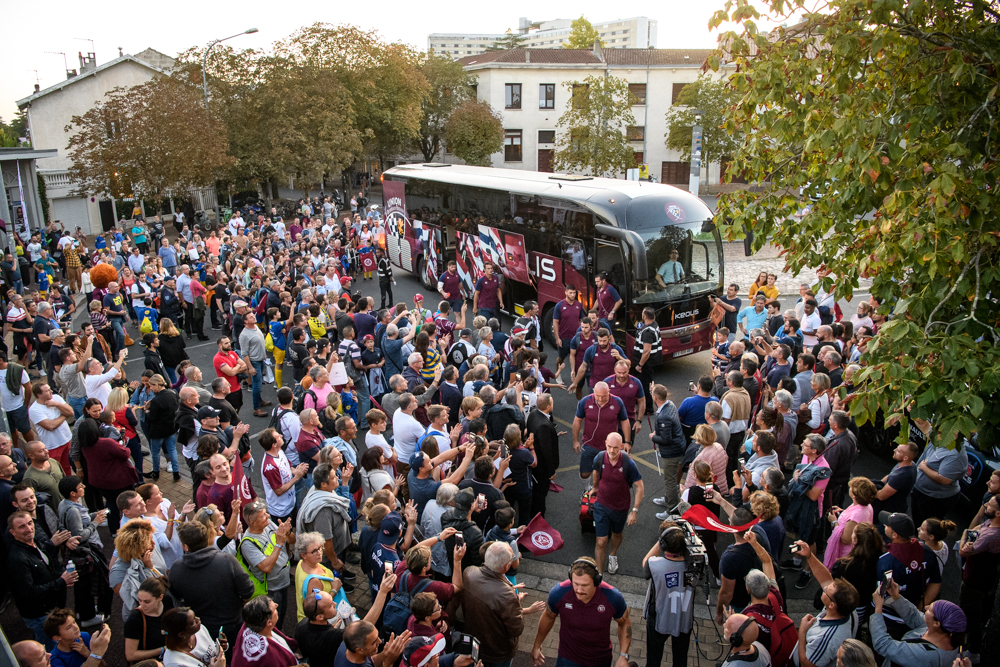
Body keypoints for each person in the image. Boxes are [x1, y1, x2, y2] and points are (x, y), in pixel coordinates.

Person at [530, 556, 631, 667]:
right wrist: (537, 645)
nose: (579, 590)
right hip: (567, 659)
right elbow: (549, 616)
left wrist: (623, 655)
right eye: (576, 584)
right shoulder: (559, 593)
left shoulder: (613, 597)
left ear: (596, 581)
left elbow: (624, 622)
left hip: (600, 660)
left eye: (585, 585)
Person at [169, 521, 255, 650]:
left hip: (199, 630)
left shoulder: (176, 569)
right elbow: (248, 590)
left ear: (185, 546)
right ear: (208, 539)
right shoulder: (227, 561)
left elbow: (176, 599)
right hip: (232, 625)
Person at [7, 510, 77, 647]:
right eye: (22, 527)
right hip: (40, 616)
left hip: (50, 608)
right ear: (12, 532)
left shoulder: (37, 544)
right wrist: (61, 581)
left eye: (30, 523)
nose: (28, 529)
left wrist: (62, 577)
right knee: (50, 651)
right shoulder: (17, 559)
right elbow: (28, 592)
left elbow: (45, 573)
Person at [786, 540, 860, 667]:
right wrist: (809, 555)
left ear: (832, 605)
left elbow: (806, 664)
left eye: (826, 591)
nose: (824, 588)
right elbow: (825, 579)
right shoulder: (849, 609)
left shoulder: (826, 638)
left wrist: (802, 631)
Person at [871, 581, 965, 667]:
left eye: (930, 610)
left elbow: (883, 644)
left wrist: (878, 609)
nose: (926, 607)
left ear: (937, 623)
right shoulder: (944, 632)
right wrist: (896, 596)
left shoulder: (925, 655)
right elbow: (914, 615)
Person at [642, 523, 695, 667]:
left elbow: (645, 562)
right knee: (680, 659)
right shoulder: (696, 565)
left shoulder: (655, 565)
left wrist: (659, 542)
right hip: (684, 618)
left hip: (660, 617)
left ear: (663, 544)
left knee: (653, 658)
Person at [955, 494, 1000, 661]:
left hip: (975, 581)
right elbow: (974, 531)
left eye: (990, 504)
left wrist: (965, 536)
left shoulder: (991, 536)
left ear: (998, 513)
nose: (986, 504)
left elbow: (963, 549)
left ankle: (973, 651)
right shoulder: (990, 523)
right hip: (978, 577)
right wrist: (969, 536)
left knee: (970, 614)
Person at [238, 499, 294, 630]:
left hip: (283, 582)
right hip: (272, 590)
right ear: (252, 522)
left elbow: (292, 540)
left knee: (282, 614)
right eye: (263, 515)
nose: (268, 516)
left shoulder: (268, 525)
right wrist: (279, 543)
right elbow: (266, 568)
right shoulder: (248, 543)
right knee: (273, 622)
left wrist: (287, 533)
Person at [297, 463, 355, 587]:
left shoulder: (324, 491)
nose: (338, 479)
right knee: (333, 578)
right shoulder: (322, 511)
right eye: (333, 478)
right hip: (329, 557)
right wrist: (335, 562)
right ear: (323, 484)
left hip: (338, 549)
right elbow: (326, 542)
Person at [571, 382, 630, 489]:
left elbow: (625, 421)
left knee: (609, 473)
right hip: (590, 444)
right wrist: (575, 441)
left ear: (609, 392)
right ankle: (586, 489)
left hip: (610, 447)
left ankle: (604, 494)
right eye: (598, 396)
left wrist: (627, 441)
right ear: (593, 392)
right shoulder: (585, 401)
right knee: (585, 473)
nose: (601, 399)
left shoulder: (617, 402)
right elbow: (577, 421)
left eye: (604, 396)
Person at [911, 437, 969, 529]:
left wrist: (924, 467)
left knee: (928, 527)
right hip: (921, 491)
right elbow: (925, 426)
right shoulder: (940, 438)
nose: (938, 431)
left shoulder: (955, 455)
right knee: (917, 523)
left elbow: (944, 479)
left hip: (935, 498)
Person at [230, 595, 299, 667]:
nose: (277, 605)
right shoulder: (271, 658)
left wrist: (289, 654)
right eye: (274, 609)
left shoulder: (249, 623)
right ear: (269, 622)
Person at [823, 477, 876, 570]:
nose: (849, 488)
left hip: (844, 554)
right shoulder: (866, 506)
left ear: (854, 496)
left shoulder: (856, 515)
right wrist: (843, 514)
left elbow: (846, 539)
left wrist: (834, 521)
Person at [259, 429, 309, 523]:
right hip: (281, 511)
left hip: (290, 503)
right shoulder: (270, 467)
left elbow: (288, 465)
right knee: (286, 535)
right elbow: (279, 490)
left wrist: (296, 470)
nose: (281, 436)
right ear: (274, 444)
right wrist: (297, 477)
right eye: (278, 436)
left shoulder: (280, 451)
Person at [124, 576, 174, 663]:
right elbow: (130, 655)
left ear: (160, 598)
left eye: (147, 602)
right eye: (140, 600)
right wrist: (161, 650)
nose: (142, 605)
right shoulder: (135, 620)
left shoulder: (167, 602)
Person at [27, 382, 74, 475]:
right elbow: (50, 426)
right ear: (39, 395)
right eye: (47, 390)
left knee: (67, 466)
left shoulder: (56, 398)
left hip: (66, 439)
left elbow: (71, 413)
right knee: (55, 471)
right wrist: (64, 416)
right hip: (53, 445)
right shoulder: (34, 409)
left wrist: (57, 404)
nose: (51, 391)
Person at [526, 393, 561, 517]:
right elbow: (546, 450)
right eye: (552, 403)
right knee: (540, 494)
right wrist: (551, 471)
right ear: (548, 407)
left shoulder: (533, 414)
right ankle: (538, 517)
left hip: (535, 461)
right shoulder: (544, 426)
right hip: (542, 469)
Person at [160, 606, 226, 667]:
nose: (198, 619)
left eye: (195, 617)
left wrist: (221, 648)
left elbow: (213, 651)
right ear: (182, 634)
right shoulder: (173, 663)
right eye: (192, 622)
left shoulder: (200, 630)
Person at [334, 620, 409, 667]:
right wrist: (388, 663)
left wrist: (386, 653)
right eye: (373, 642)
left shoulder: (348, 643)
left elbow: (371, 661)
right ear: (360, 650)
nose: (380, 642)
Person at [872, 441, 919, 516]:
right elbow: (889, 475)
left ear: (905, 457)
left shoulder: (900, 476)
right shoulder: (909, 464)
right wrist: (878, 483)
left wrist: (867, 492)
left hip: (889, 513)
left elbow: (881, 496)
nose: (894, 450)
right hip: (899, 507)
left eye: (898, 451)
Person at [214, 337, 248, 415]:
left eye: (229, 342)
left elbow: (245, 366)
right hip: (228, 391)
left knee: (238, 406)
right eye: (226, 343)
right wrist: (238, 365)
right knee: (231, 411)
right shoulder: (218, 358)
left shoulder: (232, 353)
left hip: (237, 387)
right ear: (220, 345)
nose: (229, 344)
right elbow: (231, 373)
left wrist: (234, 369)